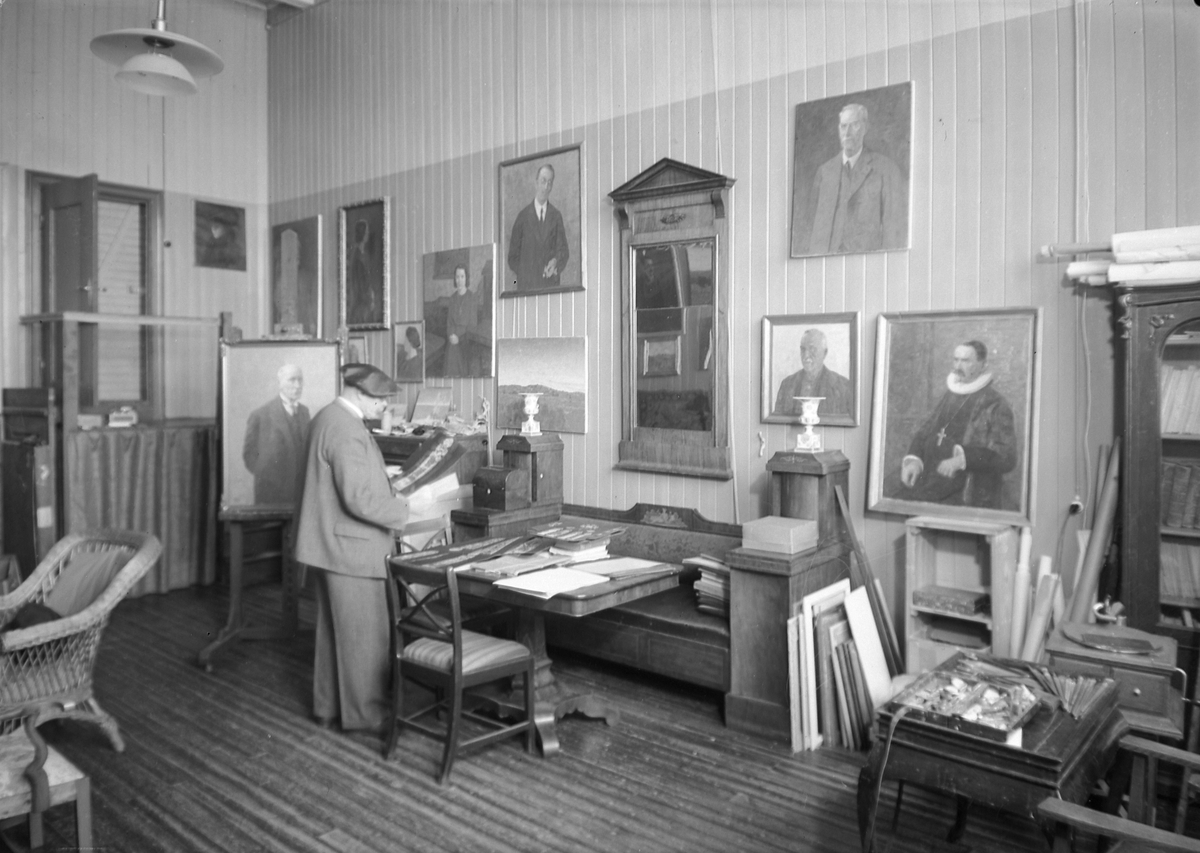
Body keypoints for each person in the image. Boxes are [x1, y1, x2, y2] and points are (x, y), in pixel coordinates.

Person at [293, 363, 432, 733]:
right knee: (365, 638)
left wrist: (382, 477)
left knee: (333, 632)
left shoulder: (329, 417)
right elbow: (359, 499)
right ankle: (369, 715)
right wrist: (407, 507)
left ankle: (328, 707)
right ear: (358, 392)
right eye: (380, 400)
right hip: (352, 550)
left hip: (330, 545)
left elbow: (341, 478)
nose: (384, 407)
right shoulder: (347, 429)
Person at [896, 340, 1018, 509]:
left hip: (968, 492)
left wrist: (962, 460)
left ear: (983, 365)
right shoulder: (951, 394)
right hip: (932, 482)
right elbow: (926, 430)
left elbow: (1007, 457)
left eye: (966, 361)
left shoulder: (995, 403)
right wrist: (914, 460)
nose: (958, 366)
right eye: (956, 360)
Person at [807, 103, 905, 255]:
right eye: (843, 126)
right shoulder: (824, 172)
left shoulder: (886, 170)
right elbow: (813, 229)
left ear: (865, 128)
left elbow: (893, 233)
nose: (847, 133)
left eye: (854, 125)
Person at [242, 363, 310, 506]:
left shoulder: (304, 412)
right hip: (271, 495)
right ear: (280, 383)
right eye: (292, 380)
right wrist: (267, 477)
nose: (297, 385)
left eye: (300, 380)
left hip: (300, 493)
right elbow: (249, 456)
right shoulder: (260, 415)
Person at [506, 163, 570, 292]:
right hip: (527, 289)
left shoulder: (556, 216)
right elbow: (512, 257)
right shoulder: (522, 217)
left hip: (551, 288)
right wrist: (527, 274)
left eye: (549, 183)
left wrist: (556, 262)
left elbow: (564, 251)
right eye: (543, 181)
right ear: (536, 183)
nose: (546, 187)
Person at [772, 329, 852, 419]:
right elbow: (778, 423)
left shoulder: (843, 387)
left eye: (812, 349)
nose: (806, 355)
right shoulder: (787, 385)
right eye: (803, 349)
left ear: (825, 353)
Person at [443, 264, 480, 376]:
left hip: (466, 338)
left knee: (454, 350)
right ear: (455, 279)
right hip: (453, 338)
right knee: (452, 348)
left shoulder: (472, 297)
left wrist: (458, 337)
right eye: (457, 277)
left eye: (462, 276)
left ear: (466, 278)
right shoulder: (452, 299)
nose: (459, 280)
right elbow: (449, 323)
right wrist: (451, 335)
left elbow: (472, 324)